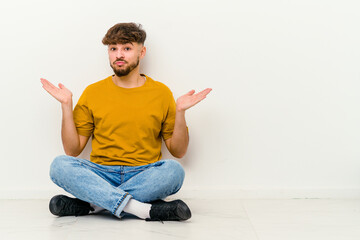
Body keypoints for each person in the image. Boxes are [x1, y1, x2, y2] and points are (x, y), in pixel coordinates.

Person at [40, 22, 212, 221]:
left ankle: (94, 205)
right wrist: (66, 105)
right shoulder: (93, 92)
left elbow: (179, 151)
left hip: (143, 173)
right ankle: (142, 210)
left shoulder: (161, 93)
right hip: (101, 173)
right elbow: (72, 150)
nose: (118, 55)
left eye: (127, 48)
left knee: (174, 172)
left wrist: (180, 112)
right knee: (59, 166)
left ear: (142, 52)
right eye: (113, 49)